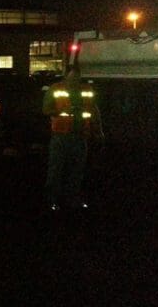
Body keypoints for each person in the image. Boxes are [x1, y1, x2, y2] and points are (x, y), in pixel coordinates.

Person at [42, 65, 103, 211]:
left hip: (80, 136)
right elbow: (45, 110)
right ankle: (52, 200)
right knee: (56, 170)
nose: (73, 81)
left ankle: (72, 199)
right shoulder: (55, 89)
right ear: (66, 77)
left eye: (76, 78)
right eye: (71, 78)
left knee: (76, 171)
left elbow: (94, 110)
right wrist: (62, 111)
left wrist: (99, 130)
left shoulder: (86, 90)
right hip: (61, 137)